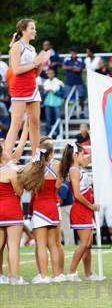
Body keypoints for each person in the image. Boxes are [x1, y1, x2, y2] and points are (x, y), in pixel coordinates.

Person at [5, 19, 50, 159]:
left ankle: (36, 157)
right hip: (19, 88)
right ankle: (5, 158)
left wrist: (41, 63)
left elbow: (35, 73)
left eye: (34, 28)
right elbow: (16, 70)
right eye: (32, 28)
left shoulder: (32, 48)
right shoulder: (17, 46)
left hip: (32, 87)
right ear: (24, 30)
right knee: (16, 124)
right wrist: (35, 62)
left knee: (35, 123)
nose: (35, 31)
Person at [22, 137, 64, 283]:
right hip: (53, 206)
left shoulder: (34, 168)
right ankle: (57, 275)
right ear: (51, 154)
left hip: (40, 208)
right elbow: (59, 185)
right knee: (53, 244)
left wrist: (35, 160)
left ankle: (44, 276)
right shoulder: (58, 165)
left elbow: (24, 180)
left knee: (41, 245)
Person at [61, 142, 101, 282]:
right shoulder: (74, 171)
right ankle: (71, 272)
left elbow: (89, 159)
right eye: (82, 153)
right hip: (81, 210)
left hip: (85, 210)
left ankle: (88, 273)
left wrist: (99, 147)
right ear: (75, 155)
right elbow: (77, 194)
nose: (84, 156)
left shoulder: (78, 168)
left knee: (88, 244)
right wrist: (91, 206)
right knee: (84, 243)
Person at [0, 121, 28, 285]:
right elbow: (19, 192)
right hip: (12, 210)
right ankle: (15, 278)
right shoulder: (11, 172)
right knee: (13, 246)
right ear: (2, 155)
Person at [63, 46, 86, 118]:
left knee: (81, 97)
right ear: (70, 52)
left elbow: (79, 69)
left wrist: (69, 68)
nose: (73, 53)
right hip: (69, 81)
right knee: (67, 97)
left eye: (74, 51)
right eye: (72, 51)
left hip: (78, 81)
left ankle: (81, 112)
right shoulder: (67, 58)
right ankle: (70, 113)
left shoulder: (80, 59)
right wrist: (73, 67)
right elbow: (64, 67)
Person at [42, 68, 64, 138]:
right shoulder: (45, 82)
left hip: (56, 103)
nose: (50, 75)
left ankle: (57, 133)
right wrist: (46, 92)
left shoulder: (59, 82)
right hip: (47, 103)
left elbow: (62, 93)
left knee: (57, 118)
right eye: (48, 73)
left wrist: (55, 92)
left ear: (54, 74)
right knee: (48, 119)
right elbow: (43, 94)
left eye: (51, 73)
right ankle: (48, 133)